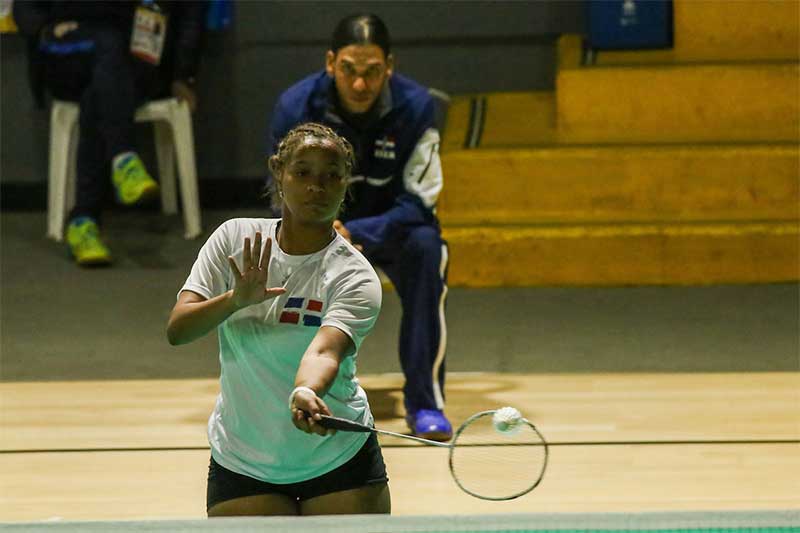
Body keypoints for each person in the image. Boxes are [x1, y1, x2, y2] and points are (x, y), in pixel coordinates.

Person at [167, 123, 391, 516]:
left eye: (331, 176)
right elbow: (179, 329)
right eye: (302, 172)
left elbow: (325, 350)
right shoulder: (234, 241)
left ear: (345, 184)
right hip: (243, 460)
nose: (316, 187)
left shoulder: (354, 275)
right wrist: (234, 301)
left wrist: (305, 390)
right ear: (278, 172)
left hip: (337, 458)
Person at [267, 13, 452, 441]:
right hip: (316, 233)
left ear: (390, 67)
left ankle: (425, 403)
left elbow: (421, 200)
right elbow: (280, 190)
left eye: (372, 73)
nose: (360, 85)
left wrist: (360, 233)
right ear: (331, 62)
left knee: (430, 248)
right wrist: (325, 231)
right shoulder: (295, 107)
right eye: (349, 70)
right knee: (279, 253)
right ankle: (299, 392)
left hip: (391, 231)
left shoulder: (416, 106)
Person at [13, 0, 206, 266]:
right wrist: (45, 26)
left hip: (134, 60)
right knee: (108, 46)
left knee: (99, 92)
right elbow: (24, 9)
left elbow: (190, 12)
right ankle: (122, 159)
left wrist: (184, 75)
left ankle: (84, 221)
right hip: (68, 51)